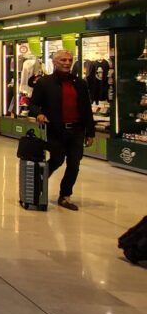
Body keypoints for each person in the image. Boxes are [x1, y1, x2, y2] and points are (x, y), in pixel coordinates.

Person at [29, 48, 95, 210]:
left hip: (77, 130)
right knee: (57, 159)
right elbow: (33, 104)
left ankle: (65, 196)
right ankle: (37, 186)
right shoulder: (44, 83)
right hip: (56, 130)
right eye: (63, 60)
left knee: (74, 163)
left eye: (69, 60)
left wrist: (90, 131)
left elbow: (86, 108)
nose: (67, 63)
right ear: (54, 62)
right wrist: (39, 114)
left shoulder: (79, 83)